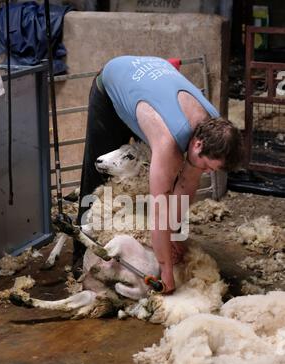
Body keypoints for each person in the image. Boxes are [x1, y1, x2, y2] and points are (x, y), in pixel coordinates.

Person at [74, 55, 244, 293]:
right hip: (111, 88)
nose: (206, 171)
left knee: (167, 179)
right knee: (98, 174)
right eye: (208, 166)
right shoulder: (168, 143)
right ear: (197, 145)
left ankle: (135, 245)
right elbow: (160, 212)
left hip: (147, 86)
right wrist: (165, 271)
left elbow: (186, 186)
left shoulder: (212, 126)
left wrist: (175, 235)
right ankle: (80, 255)